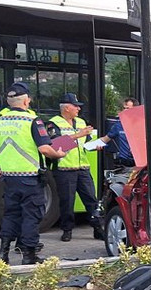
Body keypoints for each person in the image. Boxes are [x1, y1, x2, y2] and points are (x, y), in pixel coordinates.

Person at [0, 82, 66, 265]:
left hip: (8, 178)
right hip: (30, 178)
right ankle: (29, 255)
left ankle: (3, 253)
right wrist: (58, 154)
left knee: (11, 214)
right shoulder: (32, 121)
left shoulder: (0, 120)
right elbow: (44, 148)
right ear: (27, 101)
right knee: (32, 215)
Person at [46, 93, 104, 242]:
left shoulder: (81, 122)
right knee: (67, 201)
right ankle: (67, 230)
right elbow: (54, 144)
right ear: (66, 108)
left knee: (92, 199)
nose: (78, 108)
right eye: (75, 106)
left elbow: (86, 142)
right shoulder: (54, 123)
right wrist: (78, 135)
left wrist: (94, 146)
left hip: (83, 168)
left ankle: (98, 228)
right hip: (64, 169)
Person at [98, 97, 138, 167]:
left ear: (135, 110)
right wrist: (93, 144)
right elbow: (105, 139)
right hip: (124, 163)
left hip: (140, 163)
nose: (124, 111)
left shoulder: (143, 124)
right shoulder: (119, 125)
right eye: (124, 108)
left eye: (128, 108)